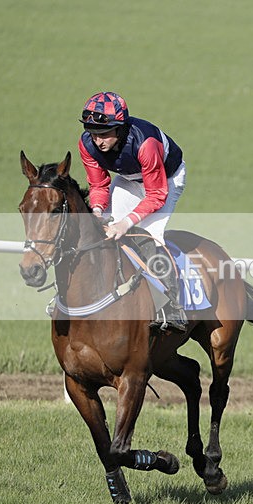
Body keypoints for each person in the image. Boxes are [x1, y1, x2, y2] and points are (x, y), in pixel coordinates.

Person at [77, 91, 187, 332]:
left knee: (148, 235)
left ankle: (173, 307)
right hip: (129, 178)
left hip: (166, 180)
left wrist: (125, 224)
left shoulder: (145, 143)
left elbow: (157, 195)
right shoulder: (87, 144)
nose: (98, 141)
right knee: (100, 230)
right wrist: (96, 211)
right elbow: (98, 184)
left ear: (120, 128)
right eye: (93, 133)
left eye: (104, 134)